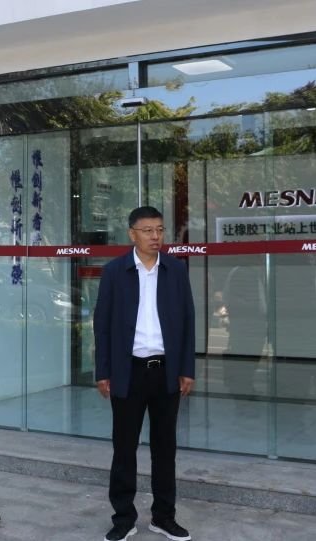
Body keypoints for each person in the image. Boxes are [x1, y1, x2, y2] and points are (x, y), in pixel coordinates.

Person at [93, 206, 194, 541]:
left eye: (160, 230)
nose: (155, 236)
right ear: (132, 234)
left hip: (166, 372)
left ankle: (164, 517)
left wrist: (186, 368)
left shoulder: (175, 270)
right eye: (148, 230)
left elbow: (188, 321)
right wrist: (103, 371)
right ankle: (123, 518)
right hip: (129, 372)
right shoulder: (115, 271)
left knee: (165, 449)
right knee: (124, 449)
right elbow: (102, 325)